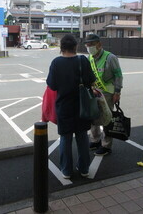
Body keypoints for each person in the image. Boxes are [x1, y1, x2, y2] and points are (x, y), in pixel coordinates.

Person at [46, 34, 96, 179]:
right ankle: (84, 168)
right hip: (82, 106)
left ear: (61, 48)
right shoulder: (83, 60)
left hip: (64, 107)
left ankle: (66, 171)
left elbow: (52, 85)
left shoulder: (56, 63)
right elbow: (91, 81)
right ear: (75, 47)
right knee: (82, 138)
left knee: (65, 139)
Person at [84, 34, 123, 156]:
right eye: (87, 45)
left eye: (91, 45)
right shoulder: (89, 58)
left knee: (107, 118)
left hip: (108, 93)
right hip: (94, 92)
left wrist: (117, 92)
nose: (89, 47)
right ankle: (95, 140)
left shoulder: (110, 57)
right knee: (93, 117)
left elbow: (118, 75)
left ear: (99, 44)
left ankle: (106, 145)